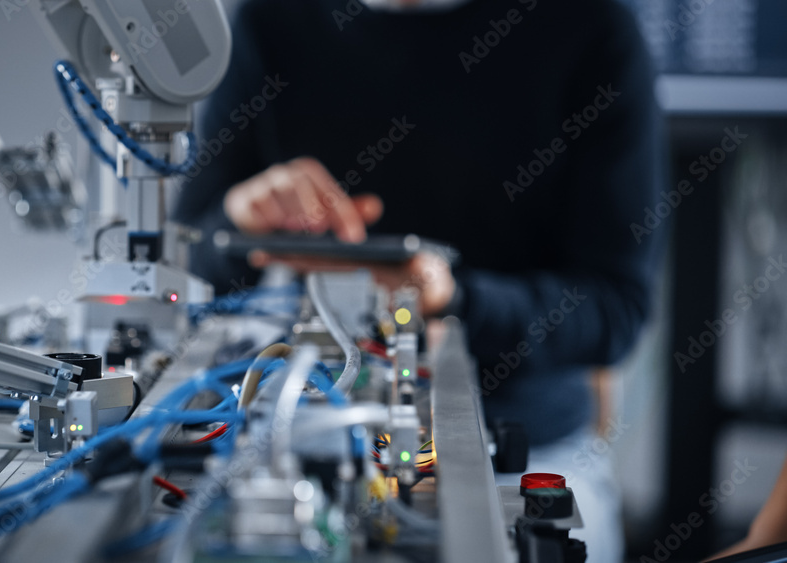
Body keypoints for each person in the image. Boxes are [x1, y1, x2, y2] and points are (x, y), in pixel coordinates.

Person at [173, 0, 666, 560]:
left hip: (525, 451)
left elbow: (614, 306)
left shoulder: (589, 25)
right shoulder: (272, 19)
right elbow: (192, 252)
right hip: (295, 435)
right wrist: (242, 222)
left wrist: (458, 300)